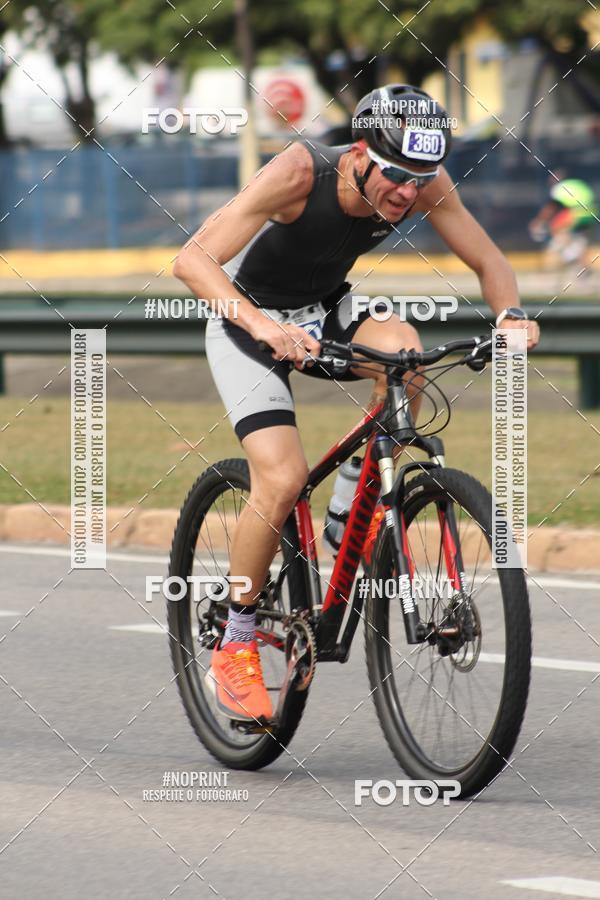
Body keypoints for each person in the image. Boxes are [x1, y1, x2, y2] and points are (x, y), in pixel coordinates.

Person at [174, 83, 540, 723]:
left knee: (406, 354)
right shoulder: (297, 173)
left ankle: (349, 515)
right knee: (282, 478)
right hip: (247, 323)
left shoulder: (422, 180)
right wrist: (264, 328)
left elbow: (488, 259)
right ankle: (235, 641)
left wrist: (509, 314)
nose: (408, 192)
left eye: (419, 179)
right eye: (396, 175)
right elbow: (192, 261)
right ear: (360, 154)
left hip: (323, 311)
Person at [529, 173, 597, 271]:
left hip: (577, 213)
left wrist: (539, 220)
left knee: (555, 227)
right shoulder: (577, 183)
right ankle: (581, 263)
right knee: (579, 238)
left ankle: (568, 254)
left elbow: (551, 207)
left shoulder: (558, 188)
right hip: (591, 213)